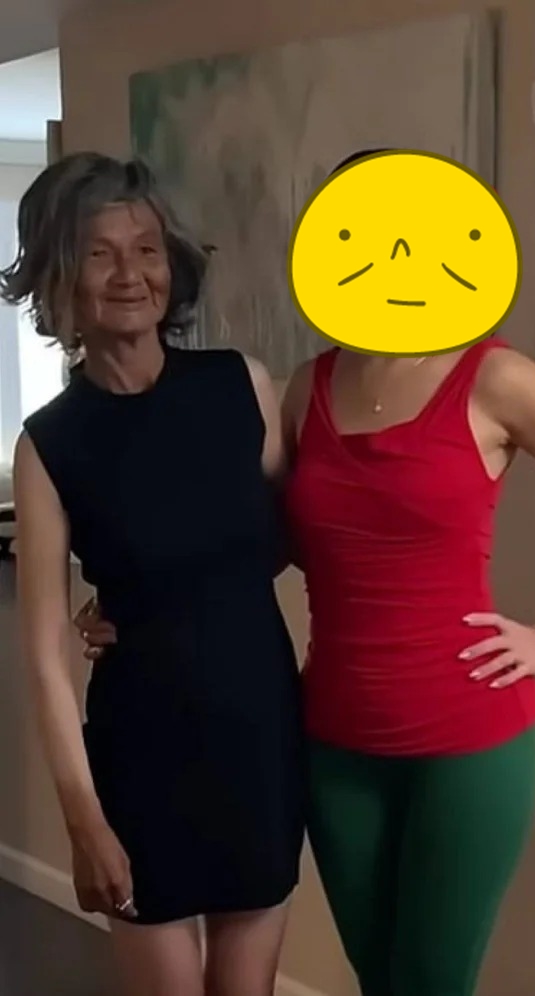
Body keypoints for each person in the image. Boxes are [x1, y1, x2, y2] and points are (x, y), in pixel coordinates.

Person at [78, 150, 535, 996]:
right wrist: (137, 601)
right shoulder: (306, 389)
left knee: (430, 980)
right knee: (379, 975)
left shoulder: (496, 377)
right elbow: (256, 542)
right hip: (333, 737)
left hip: (469, 737)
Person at [3, 153, 305, 996]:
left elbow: (288, 538)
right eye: (100, 254)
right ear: (62, 276)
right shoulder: (49, 444)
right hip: (141, 755)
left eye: (146, 250)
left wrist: (166, 589)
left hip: (259, 740)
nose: (130, 274)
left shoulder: (241, 385)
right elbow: (44, 659)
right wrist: (83, 821)